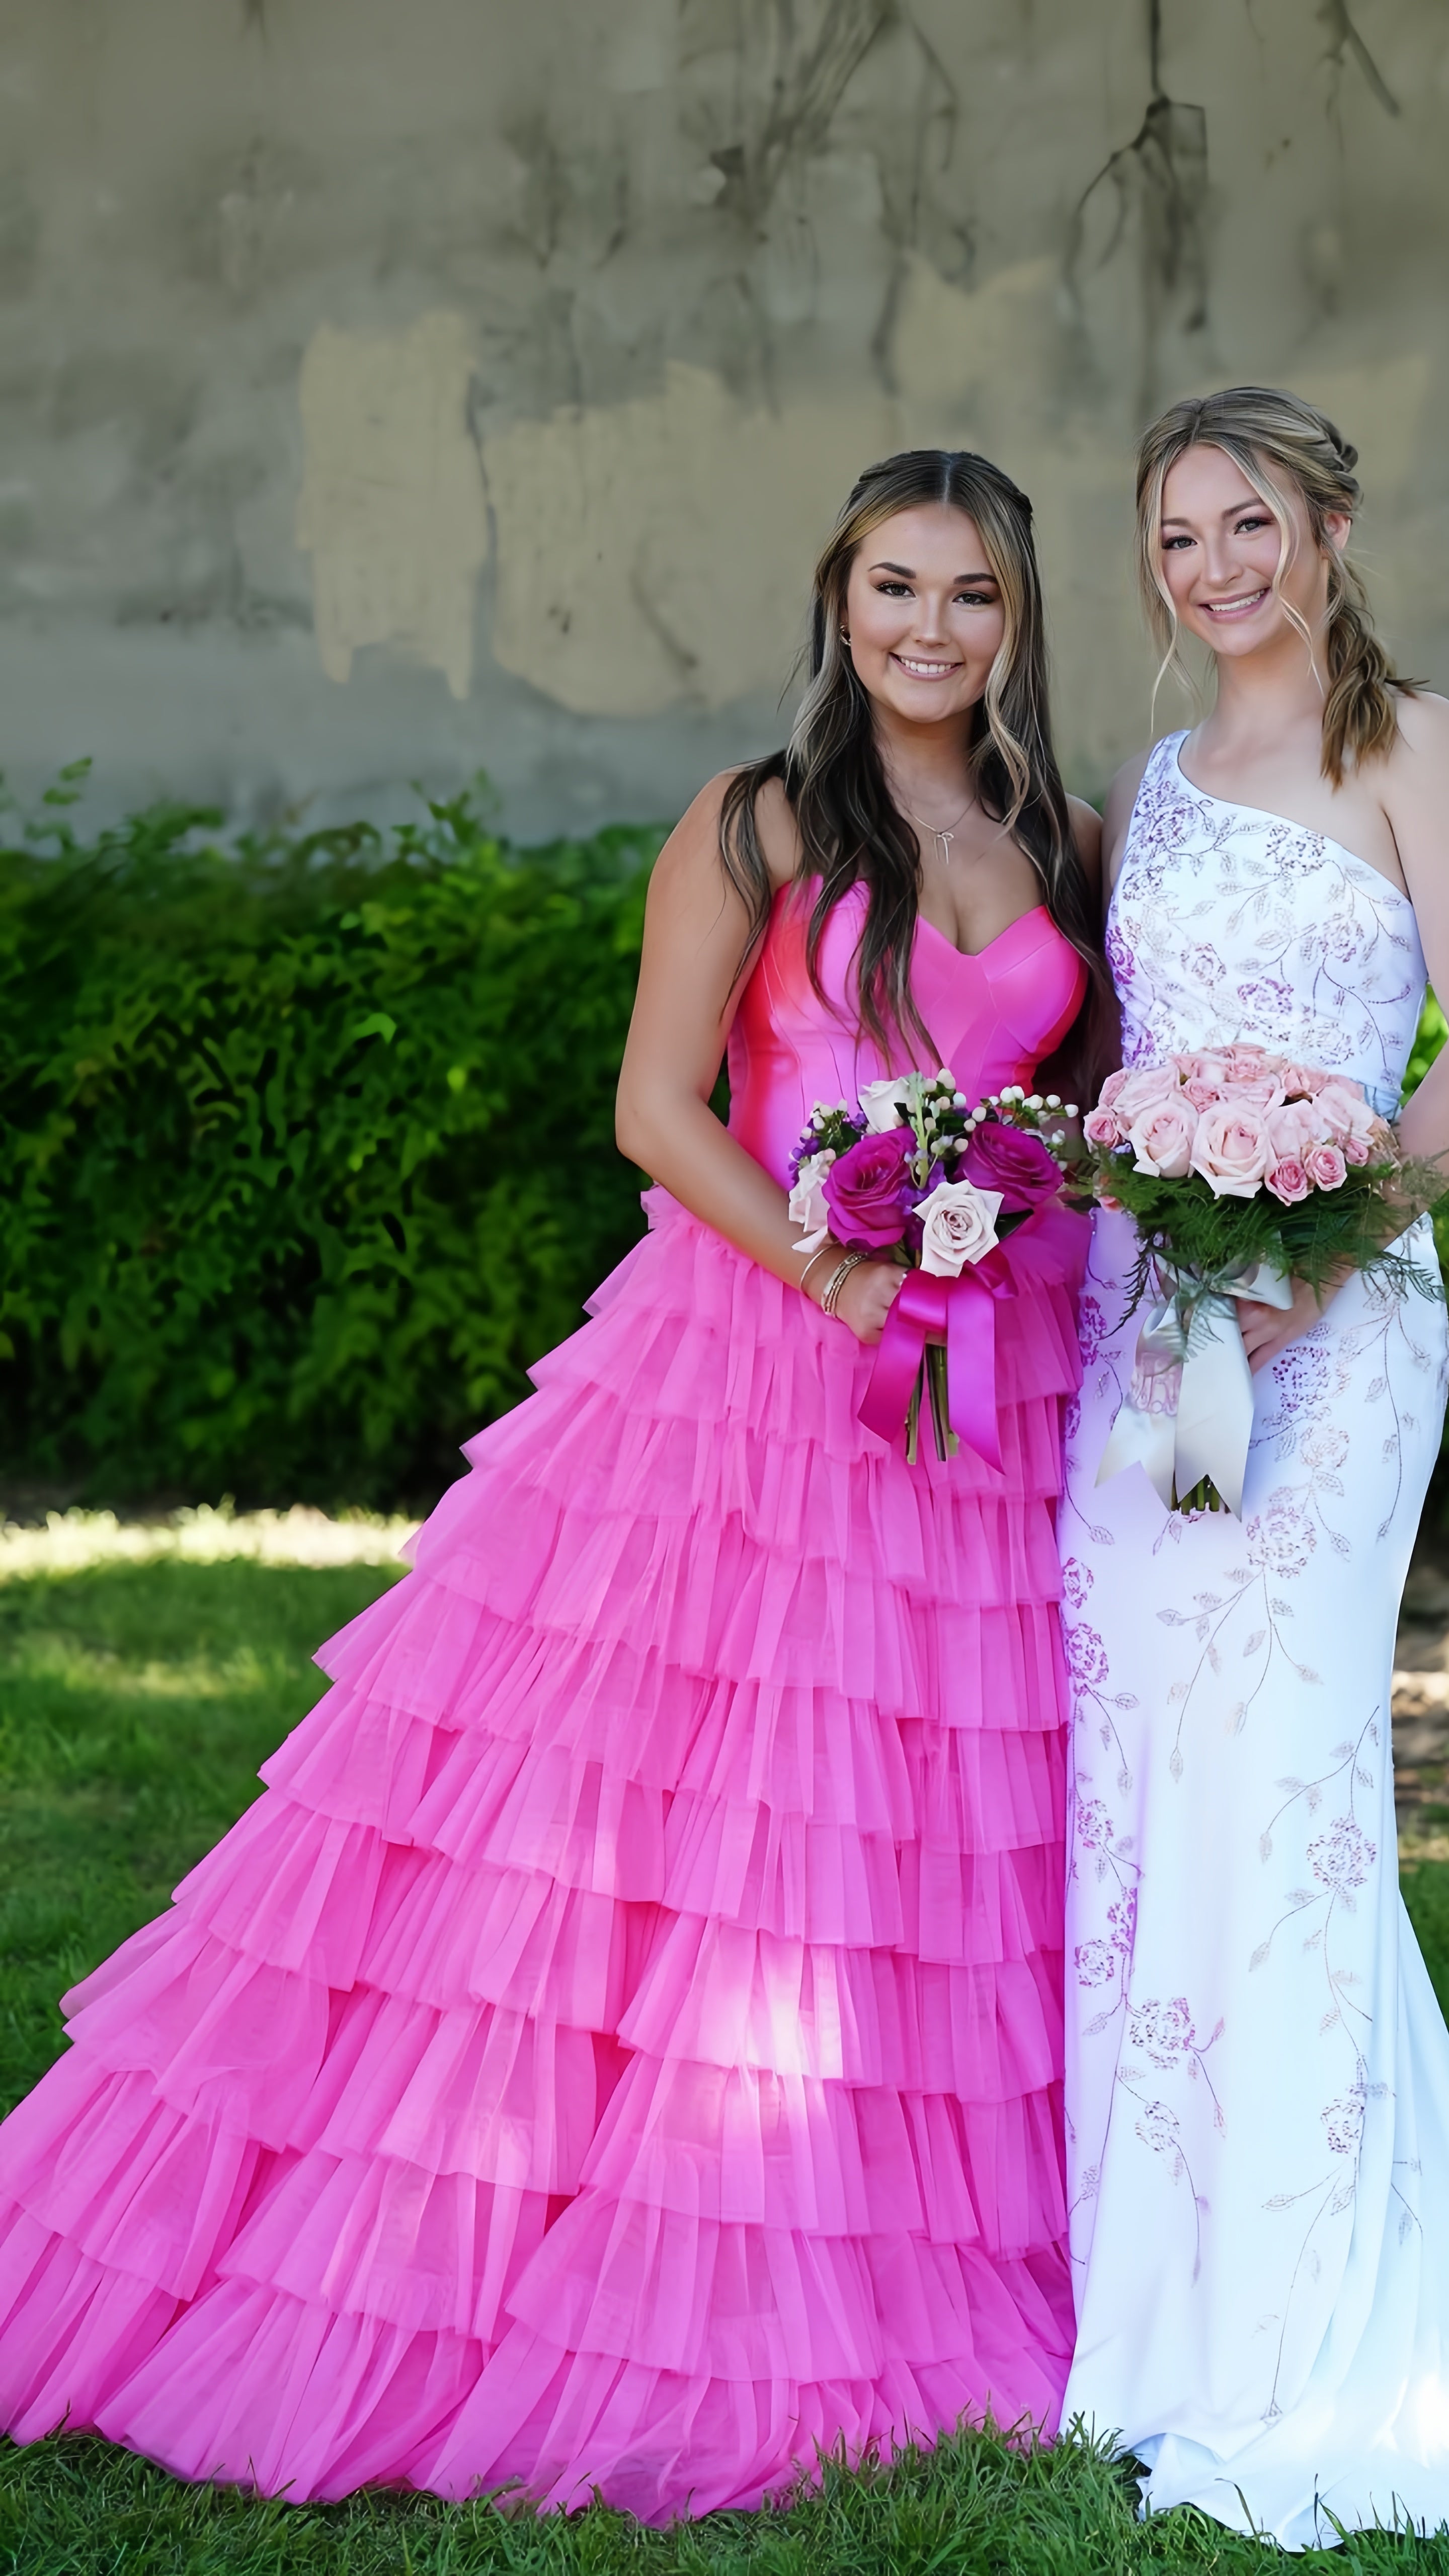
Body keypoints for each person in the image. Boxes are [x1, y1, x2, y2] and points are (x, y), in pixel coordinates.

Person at [0, 449, 1102, 2522]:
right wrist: (835, 1263)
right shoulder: (763, 821)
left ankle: (898, 2224)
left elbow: (1058, 1107)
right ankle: (596, 2225)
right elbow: (653, 1103)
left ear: (1020, 617)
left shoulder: (1066, 841)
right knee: (689, 1814)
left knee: (924, 1837)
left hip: (987, 1392)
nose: (929, 630)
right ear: (836, 597)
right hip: (760, 1362)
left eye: (970, 594)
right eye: (893, 587)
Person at [1061, 384, 1449, 2545]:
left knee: (1292, 1785)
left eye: (1250, 523)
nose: (1216, 567)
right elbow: (1131, 1065)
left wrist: (1321, 1249)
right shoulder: (1157, 781)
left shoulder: (1423, 747)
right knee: (1148, 1796)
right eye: (1178, 536)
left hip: (1347, 1334)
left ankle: (1312, 2322)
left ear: (1326, 527)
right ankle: (1158, 2312)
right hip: (1155, 1340)